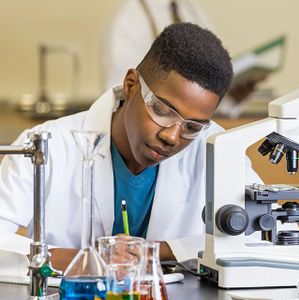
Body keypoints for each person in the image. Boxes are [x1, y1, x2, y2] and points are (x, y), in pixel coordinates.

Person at [0, 23, 260, 270]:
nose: (171, 136)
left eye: (191, 127)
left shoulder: (217, 149)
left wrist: (160, 251)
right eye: (161, 109)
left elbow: (271, 238)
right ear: (131, 85)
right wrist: (84, 258)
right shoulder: (49, 145)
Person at [102, 0, 263, 118]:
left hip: (192, 134)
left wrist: (231, 98)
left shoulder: (193, 11)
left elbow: (208, 80)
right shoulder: (128, 20)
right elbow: (122, 97)